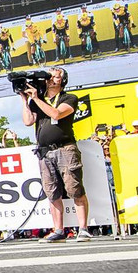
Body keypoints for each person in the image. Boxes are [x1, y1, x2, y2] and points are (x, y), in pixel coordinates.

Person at [20, 66, 89, 243]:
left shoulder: (69, 98)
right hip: (44, 151)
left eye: (56, 77)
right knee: (52, 192)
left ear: (63, 80)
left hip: (64, 148)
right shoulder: (38, 100)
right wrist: (25, 100)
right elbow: (28, 121)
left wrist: (36, 98)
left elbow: (56, 114)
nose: (51, 79)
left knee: (74, 188)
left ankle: (83, 229)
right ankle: (58, 230)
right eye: (49, 77)